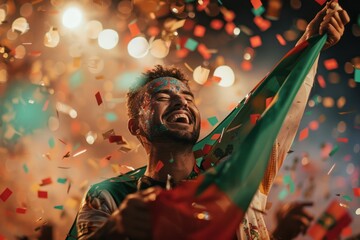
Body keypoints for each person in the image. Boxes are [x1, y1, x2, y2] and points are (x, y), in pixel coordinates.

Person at [67, 1, 350, 239]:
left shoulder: (234, 177)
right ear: (136, 126)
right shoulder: (110, 198)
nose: (181, 101)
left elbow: (278, 109)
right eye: (162, 96)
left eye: (188, 97)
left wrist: (308, 46)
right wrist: (116, 229)